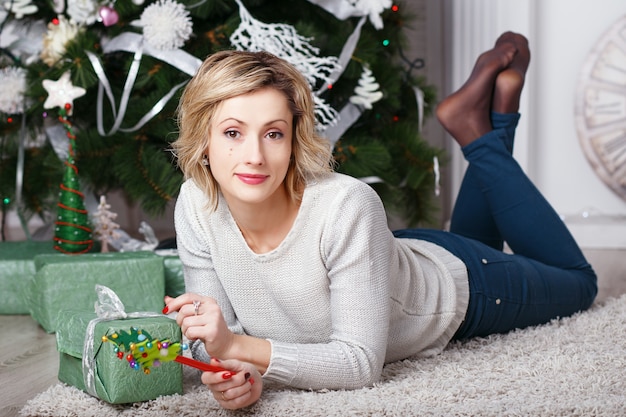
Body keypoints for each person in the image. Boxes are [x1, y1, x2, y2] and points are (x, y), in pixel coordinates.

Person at [164, 32, 597, 410]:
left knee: (580, 282)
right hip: (384, 263)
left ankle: (478, 134)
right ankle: (492, 120)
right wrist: (242, 374)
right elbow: (218, 337)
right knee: (474, 238)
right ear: (204, 140)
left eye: (273, 133)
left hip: (463, 287)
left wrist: (239, 349)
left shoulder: (348, 204)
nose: (254, 156)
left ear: (294, 141)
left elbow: (358, 363)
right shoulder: (195, 203)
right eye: (233, 133)